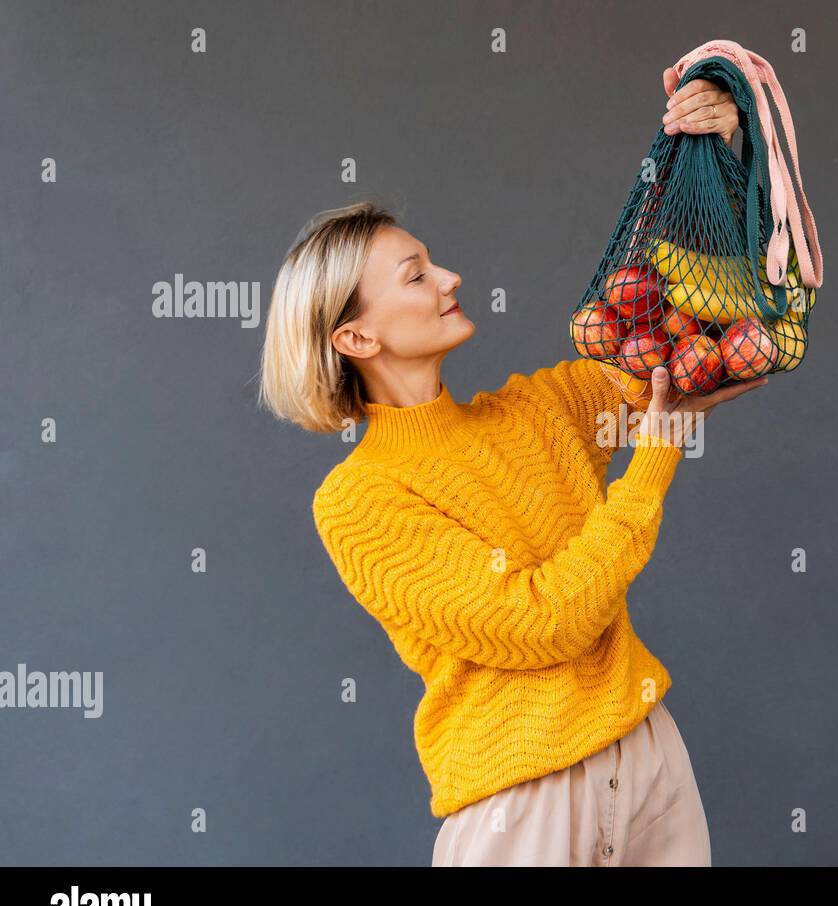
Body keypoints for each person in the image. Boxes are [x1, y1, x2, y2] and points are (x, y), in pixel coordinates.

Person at [257, 73, 757, 866]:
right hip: (525, 798)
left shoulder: (539, 409)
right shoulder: (359, 500)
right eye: (416, 275)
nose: (450, 278)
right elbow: (542, 624)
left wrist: (717, 153)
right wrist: (653, 462)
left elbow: (702, 336)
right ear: (355, 339)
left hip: (649, 750)